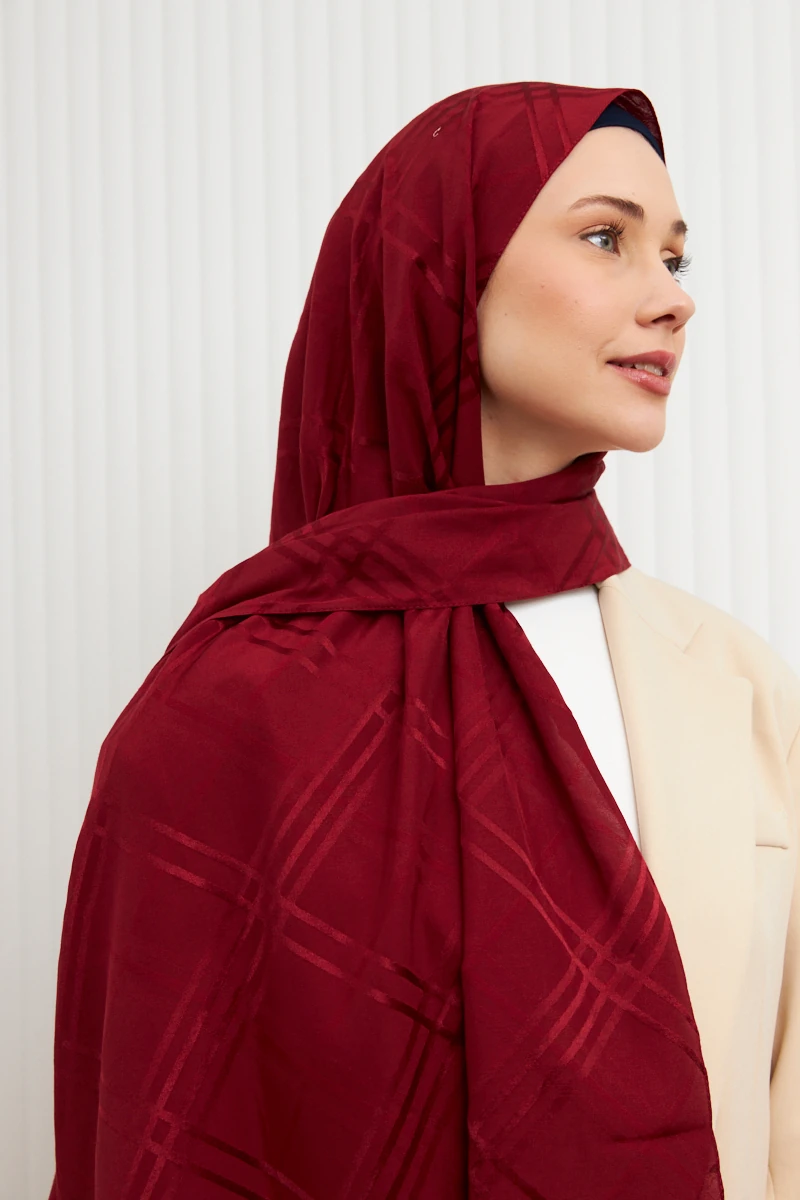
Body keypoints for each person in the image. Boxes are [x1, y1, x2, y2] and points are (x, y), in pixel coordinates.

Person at [47, 82, 799, 1199]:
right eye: (606, 238)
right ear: (443, 270)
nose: (672, 299)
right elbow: (158, 1144)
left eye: (676, 259)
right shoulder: (218, 719)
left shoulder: (739, 687)